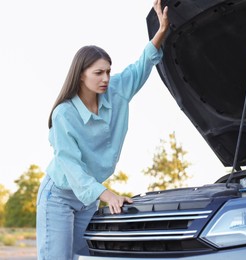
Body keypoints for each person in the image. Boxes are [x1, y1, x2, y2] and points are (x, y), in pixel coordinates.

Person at [36, 1, 169, 259]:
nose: (106, 78)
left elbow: (141, 66)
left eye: (108, 71)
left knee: (87, 256)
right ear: (81, 75)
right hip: (60, 196)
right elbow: (72, 168)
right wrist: (107, 194)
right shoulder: (64, 114)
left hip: (88, 197)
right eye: (98, 73)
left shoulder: (117, 91)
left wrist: (162, 31)